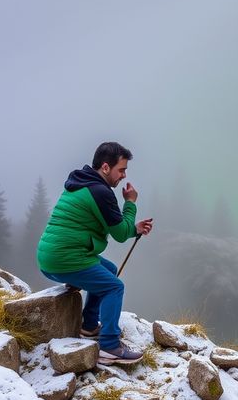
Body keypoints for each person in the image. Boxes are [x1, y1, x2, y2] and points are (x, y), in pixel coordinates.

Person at [36, 141, 154, 364]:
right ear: (106, 167)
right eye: (121, 169)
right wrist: (130, 203)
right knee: (114, 286)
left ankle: (89, 326)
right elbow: (119, 233)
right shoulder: (100, 191)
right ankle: (109, 347)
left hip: (50, 256)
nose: (123, 175)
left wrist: (133, 228)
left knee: (108, 269)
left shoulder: (81, 182)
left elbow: (118, 226)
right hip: (65, 259)